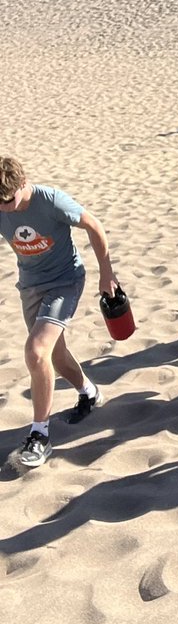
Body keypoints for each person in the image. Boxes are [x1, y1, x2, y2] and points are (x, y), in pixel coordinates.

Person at [0, 158, 119, 470]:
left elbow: (94, 224)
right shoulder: (1, 204)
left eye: (8, 201)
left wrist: (106, 273)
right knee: (55, 356)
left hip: (65, 282)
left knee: (36, 352)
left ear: (22, 185)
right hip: (30, 286)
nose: (5, 209)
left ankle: (40, 436)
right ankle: (89, 393)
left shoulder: (50, 200)